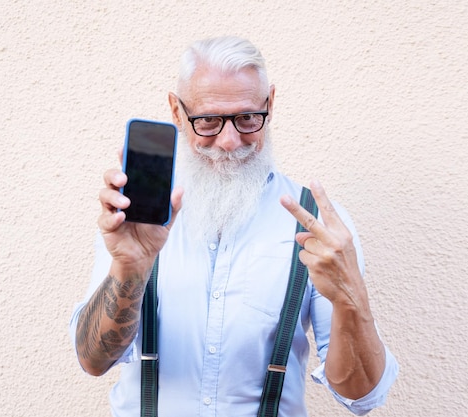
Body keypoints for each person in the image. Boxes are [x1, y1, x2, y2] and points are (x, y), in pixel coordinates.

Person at [69, 36, 399, 416]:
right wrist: (130, 268)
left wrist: (350, 298)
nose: (228, 141)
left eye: (247, 118)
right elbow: (93, 360)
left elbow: (361, 397)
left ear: (270, 105)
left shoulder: (320, 226)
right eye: (208, 120)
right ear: (177, 112)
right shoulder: (136, 218)